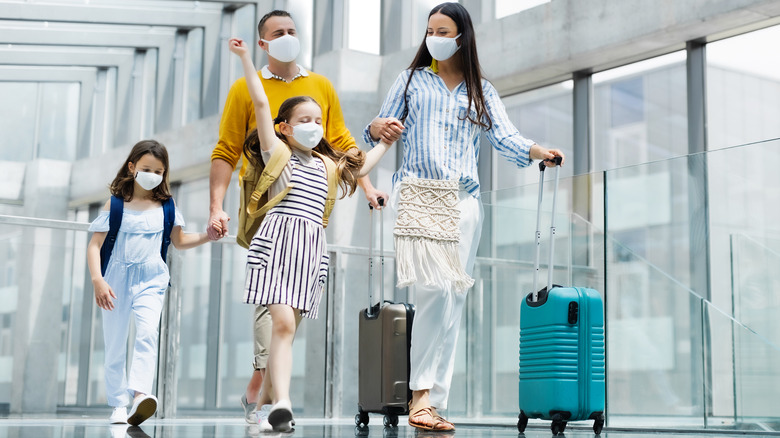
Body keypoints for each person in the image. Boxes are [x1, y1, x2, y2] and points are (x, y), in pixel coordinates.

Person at [364, 2, 565, 432]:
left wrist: (538, 152)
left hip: (465, 201)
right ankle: (419, 396)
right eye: (429, 29)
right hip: (420, 191)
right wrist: (378, 126)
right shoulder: (411, 80)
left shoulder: (480, 90)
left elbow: (505, 137)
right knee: (435, 290)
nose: (434, 36)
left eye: (443, 30)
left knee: (453, 299)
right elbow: (377, 128)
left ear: (461, 37)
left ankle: (434, 401)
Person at [207, 10, 390, 425]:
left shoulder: (324, 147)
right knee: (280, 321)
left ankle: (264, 398)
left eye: (292, 30)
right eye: (278, 32)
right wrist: (243, 62)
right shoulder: (278, 149)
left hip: (310, 248)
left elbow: (351, 157)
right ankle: (277, 401)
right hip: (274, 234)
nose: (313, 126)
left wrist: (378, 157)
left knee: (289, 328)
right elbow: (235, 134)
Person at [86, 140, 219, 425]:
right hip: (115, 280)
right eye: (147, 168)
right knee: (115, 342)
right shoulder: (116, 204)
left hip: (152, 278)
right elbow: (95, 245)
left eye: (159, 171)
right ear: (132, 167)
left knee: (147, 333)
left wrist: (208, 235)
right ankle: (118, 404)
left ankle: (139, 396)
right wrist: (98, 280)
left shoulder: (167, 206)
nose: (153, 175)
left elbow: (180, 241)